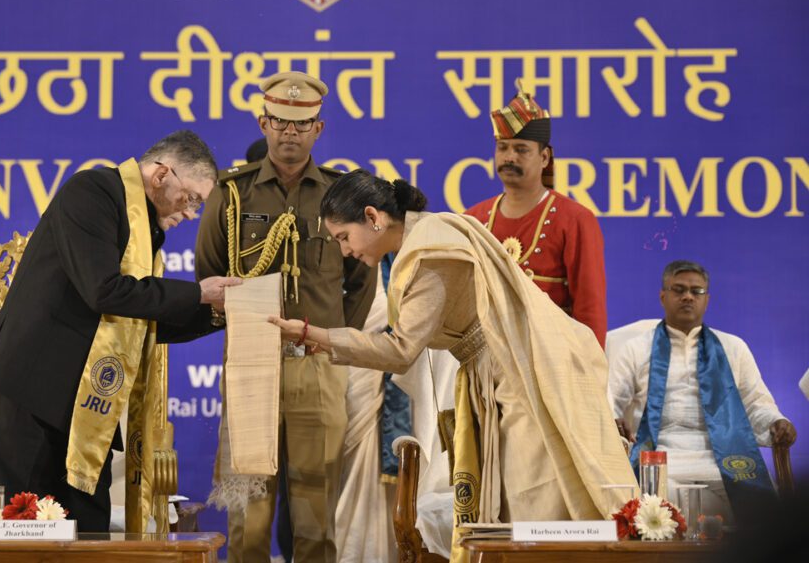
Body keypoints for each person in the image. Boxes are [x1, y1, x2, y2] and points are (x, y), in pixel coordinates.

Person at [270, 170, 636, 563]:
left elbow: (400, 351)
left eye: (344, 237)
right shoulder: (427, 236)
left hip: (519, 372)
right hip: (498, 368)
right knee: (513, 501)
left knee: (534, 497)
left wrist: (313, 334)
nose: (345, 251)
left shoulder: (430, 250)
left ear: (373, 217)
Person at [0, 130, 241, 531]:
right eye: (192, 199)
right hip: (28, 395)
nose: (191, 214)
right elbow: (104, 291)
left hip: (81, 405)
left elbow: (141, 321)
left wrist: (222, 313)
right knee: (19, 534)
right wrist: (200, 293)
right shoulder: (92, 193)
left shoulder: (145, 231)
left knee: (89, 533)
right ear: (162, 175)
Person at [195, 71, 376, 563]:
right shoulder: (232, 194)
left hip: (318, 367)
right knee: (248, 520)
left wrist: (335, 339)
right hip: (251, 367)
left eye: (301, 123)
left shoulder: (342, 195)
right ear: (263, 123)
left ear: (319, 129)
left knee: (317, 517)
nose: (290, 132)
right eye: (279, 121)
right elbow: (210, 275)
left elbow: (362, 277)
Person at [607, 260, 797, 522]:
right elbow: (610, 402)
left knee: (758, 506)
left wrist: (776, 422)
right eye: (679, 289)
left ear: (707, 299)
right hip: (660, 457)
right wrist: (612, 422)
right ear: (663, 296)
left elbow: (756, 403)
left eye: (696, 291)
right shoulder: (636, 349)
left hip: (721, 457)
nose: (688, 296)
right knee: (657, 504)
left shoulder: (733, 347)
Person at [464, 80, 607, 346]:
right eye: (503, 147)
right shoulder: (472, 219)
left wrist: (590, 365)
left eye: (521, 150)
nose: (509, 157)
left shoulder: (575, 219)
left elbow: (590, 310)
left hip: (552, 357)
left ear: (544, 158)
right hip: (487, 358)